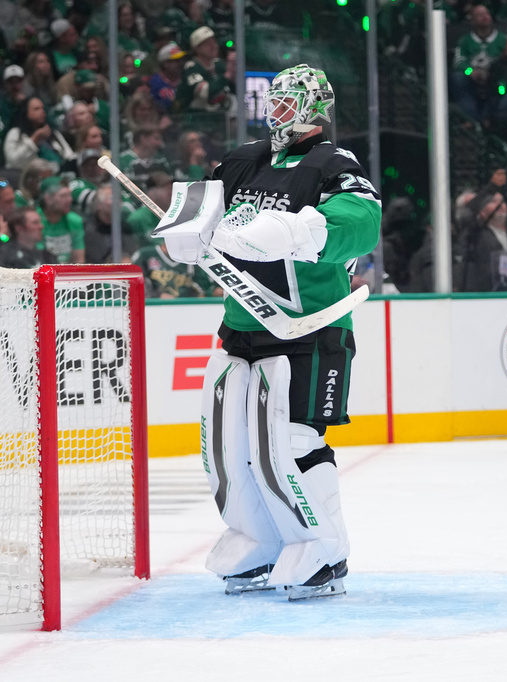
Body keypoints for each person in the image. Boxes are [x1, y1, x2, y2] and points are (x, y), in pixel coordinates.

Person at [162, 65, 381, 598]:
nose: (275, 111)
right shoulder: (245, 160)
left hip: (308, 328)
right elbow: (197, 206)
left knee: (290, 442)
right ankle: (257, 538)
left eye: (287, 102)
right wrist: (184, 232)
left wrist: (295, 229)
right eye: (273, 101)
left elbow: (362, 219)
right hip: (242, 325)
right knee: (226, 440)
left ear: (314, 108)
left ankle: (323, 548)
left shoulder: (332, 164)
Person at [37, 176, 85, 264]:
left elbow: (79, 260)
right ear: (48, 198)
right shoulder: (35, 220)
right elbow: (36, 256)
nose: (70, 200)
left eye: (69, 195)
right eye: (63, 196)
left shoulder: (75, 220)